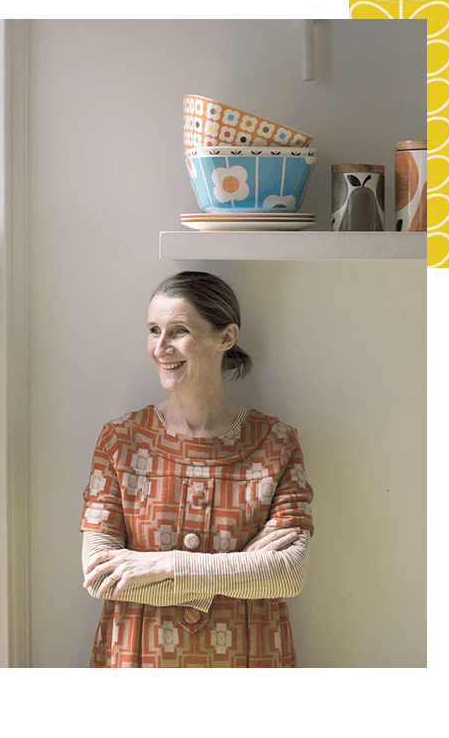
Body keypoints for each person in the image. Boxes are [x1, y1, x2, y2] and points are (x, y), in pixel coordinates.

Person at [80, 271, 314, 668]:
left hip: (251, 654)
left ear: (226, 337)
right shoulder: (121, 440)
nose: (160, 347)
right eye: (154, 330)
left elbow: (288, 574)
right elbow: (101, 576)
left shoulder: (275, 442)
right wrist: (239, 571)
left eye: (179, 331)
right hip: (137, 655)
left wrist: (162, 565)